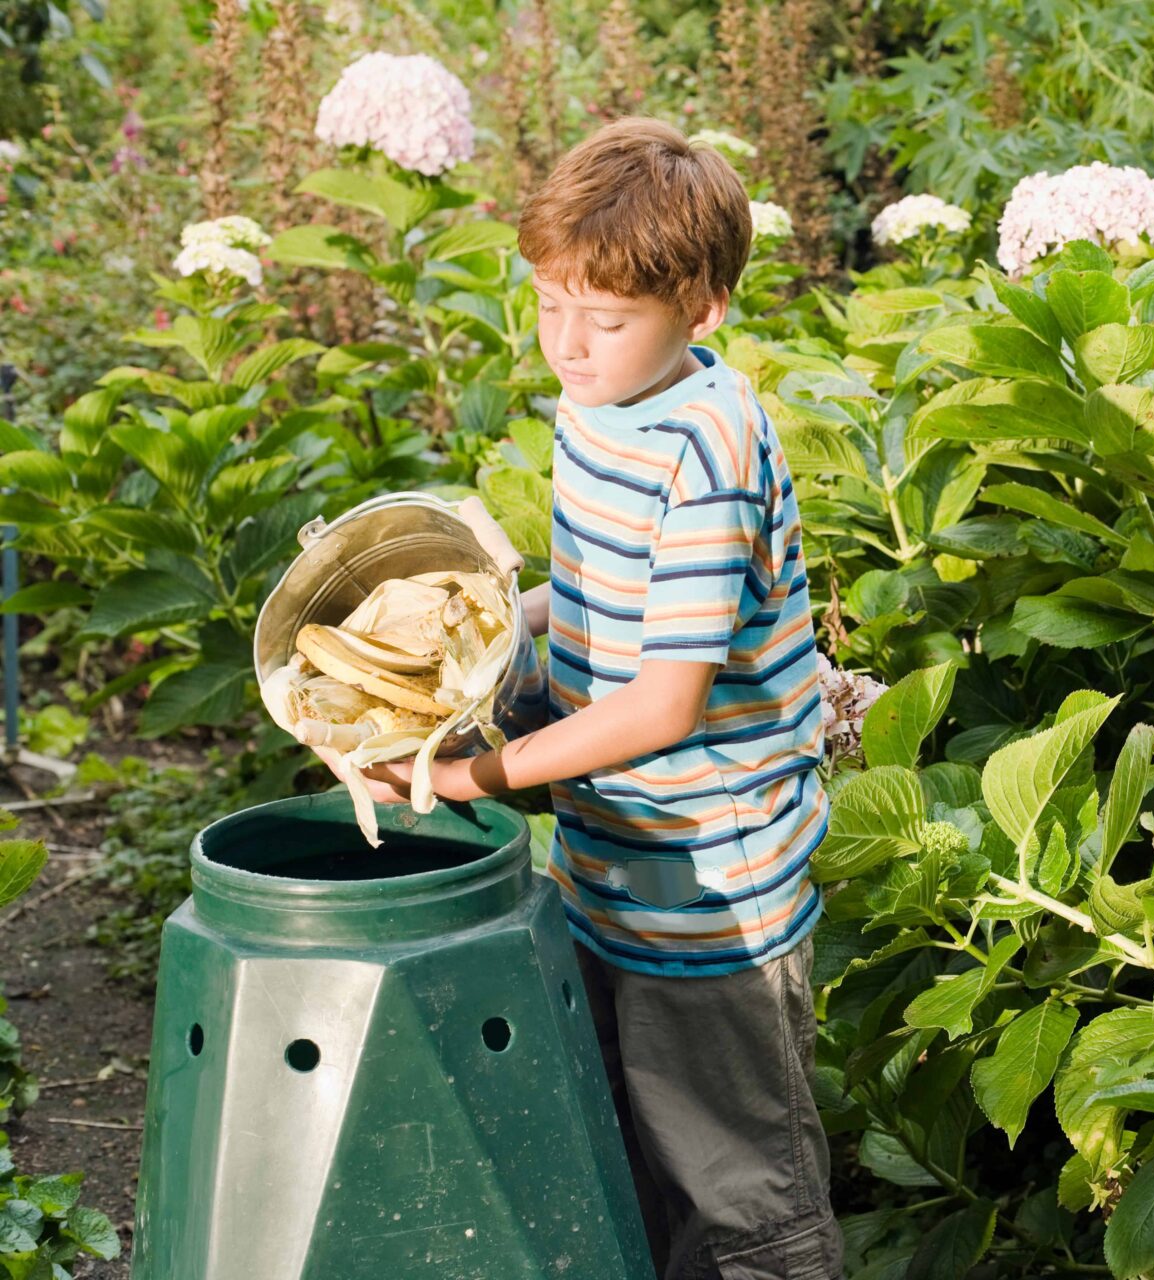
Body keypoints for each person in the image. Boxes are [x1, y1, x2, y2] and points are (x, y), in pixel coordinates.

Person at [320, 117, 840, 1280]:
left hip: (711, 902)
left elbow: (663, 704)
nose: (568, 344)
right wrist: (489, 620)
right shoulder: (605, 407)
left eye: (603, 320)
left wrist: (468, 776)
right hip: (616, 867)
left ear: (701, 308)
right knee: (637, 1157)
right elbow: (607, 593)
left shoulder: (707, 451)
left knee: (745, 1192)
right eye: (551, 305)